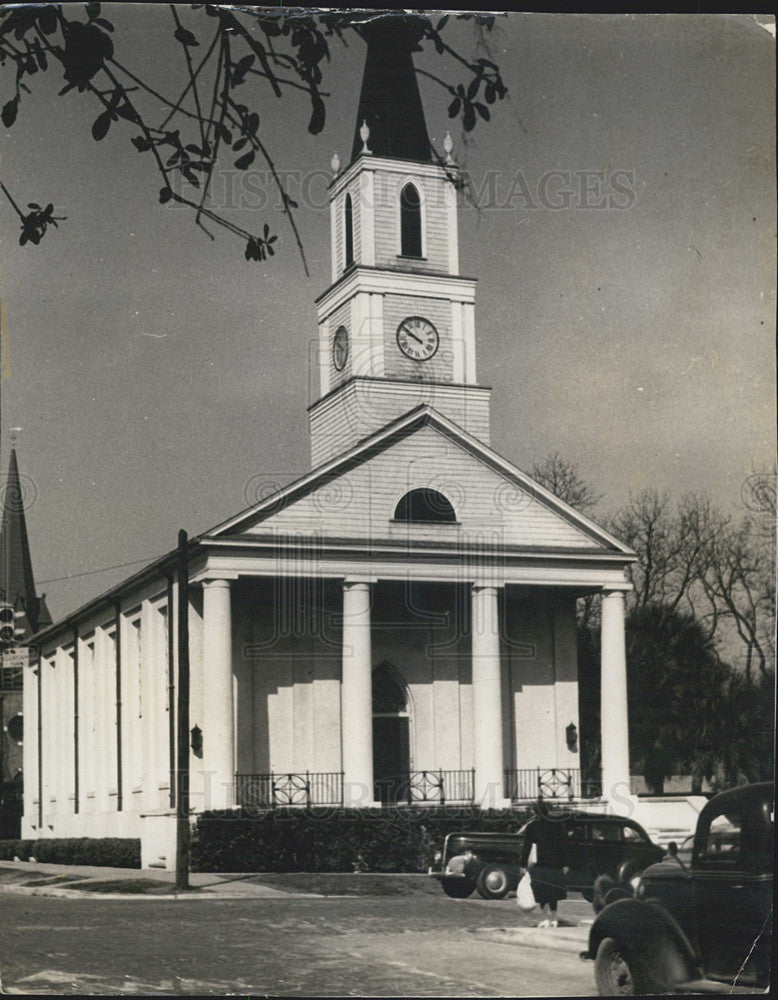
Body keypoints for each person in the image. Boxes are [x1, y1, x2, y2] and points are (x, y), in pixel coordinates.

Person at [520, 799, 569, 928]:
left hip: (540, 863)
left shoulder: (533, 826)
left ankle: (545, 918)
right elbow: (564, 845)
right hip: (556, 863)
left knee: (542, 891)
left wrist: (523, 864)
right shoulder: (558, 824)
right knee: (553, 891)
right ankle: (554, 918)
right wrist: (565, 863)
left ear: (535, 812)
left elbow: (527, 846)